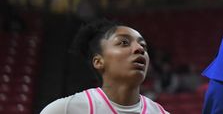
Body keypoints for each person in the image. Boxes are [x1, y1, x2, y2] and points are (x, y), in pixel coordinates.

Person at [40, 18, 169, 113]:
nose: (139, 49)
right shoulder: (63, 110)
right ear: (98, 61)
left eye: (143, 46)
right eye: (124, 42)